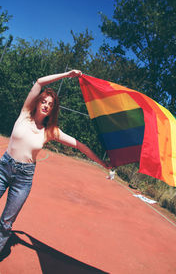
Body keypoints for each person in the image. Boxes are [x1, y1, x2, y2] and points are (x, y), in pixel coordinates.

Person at [0, 69, 109, 253]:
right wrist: (67, 75)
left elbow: (81, 146)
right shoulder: (25, 113)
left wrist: (103, 163)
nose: (45, 105)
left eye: (50, 104)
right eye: (43, 101)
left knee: (6, 222)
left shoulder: (51, 131)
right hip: (4, 168)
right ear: (37, 102)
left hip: (23, 179)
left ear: (52, 109)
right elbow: (39, 82)